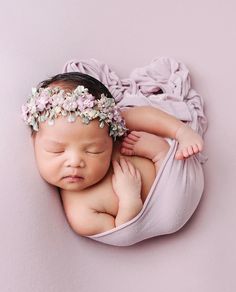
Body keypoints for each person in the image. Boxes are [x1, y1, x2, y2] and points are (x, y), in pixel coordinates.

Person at [21, 72, 204, 236]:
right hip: (169, 205)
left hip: (180, 169)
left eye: (94, 150)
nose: (75, 162)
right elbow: (124, 232)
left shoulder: (104, 128)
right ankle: (161, 154)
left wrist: (182, 133)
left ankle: (163, 154)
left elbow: (145, 115)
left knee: (140, 125)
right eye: (57, 150)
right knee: (170, 211)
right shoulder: (79, 213)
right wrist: (129, 199)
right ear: (34, 142)